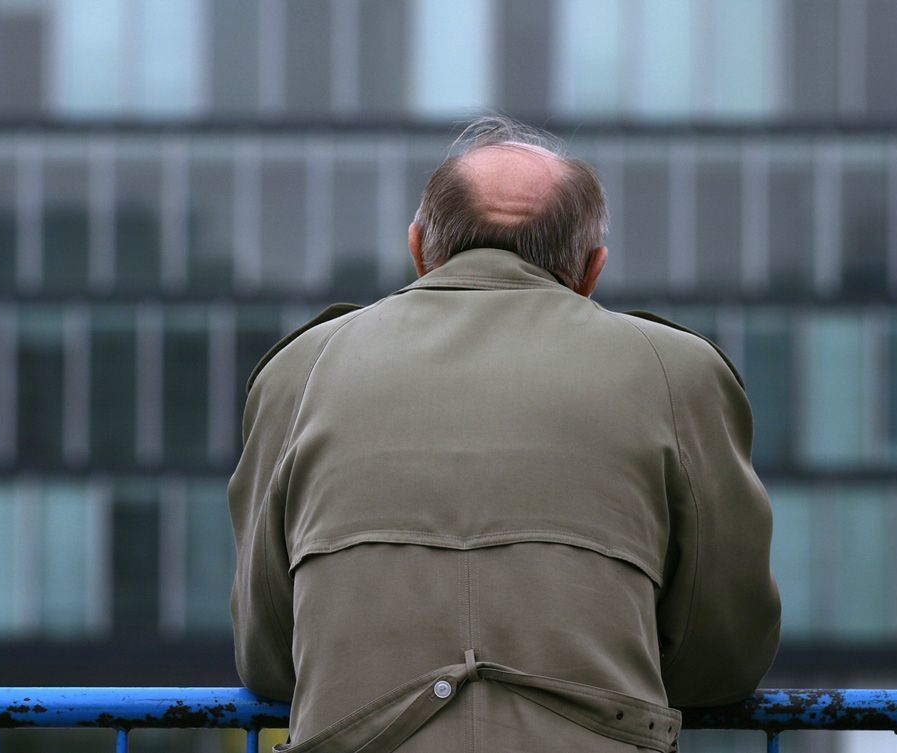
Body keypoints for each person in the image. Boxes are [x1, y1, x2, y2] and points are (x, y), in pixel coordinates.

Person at [229, 116, 780, 752]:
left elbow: (269, 657)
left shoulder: (301, 370)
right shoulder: (677, 372)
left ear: (418, 250)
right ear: (591, 270)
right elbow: (725, 658)